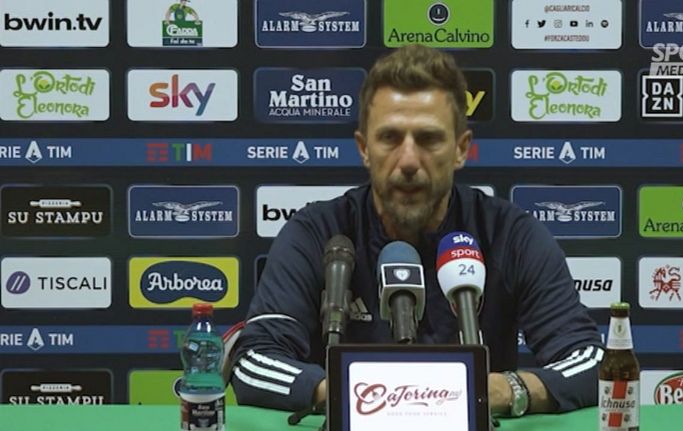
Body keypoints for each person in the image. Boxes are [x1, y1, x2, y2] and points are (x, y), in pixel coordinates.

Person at [231, 44, 604, 417]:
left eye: (428, 139)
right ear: (364, 148)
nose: (408, 160)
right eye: (390, 138)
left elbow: (594, 363)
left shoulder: (509, 235)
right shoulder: (318, 232)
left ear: (461, 149)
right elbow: (253, 361)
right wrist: (352, 396)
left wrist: (509, 390)